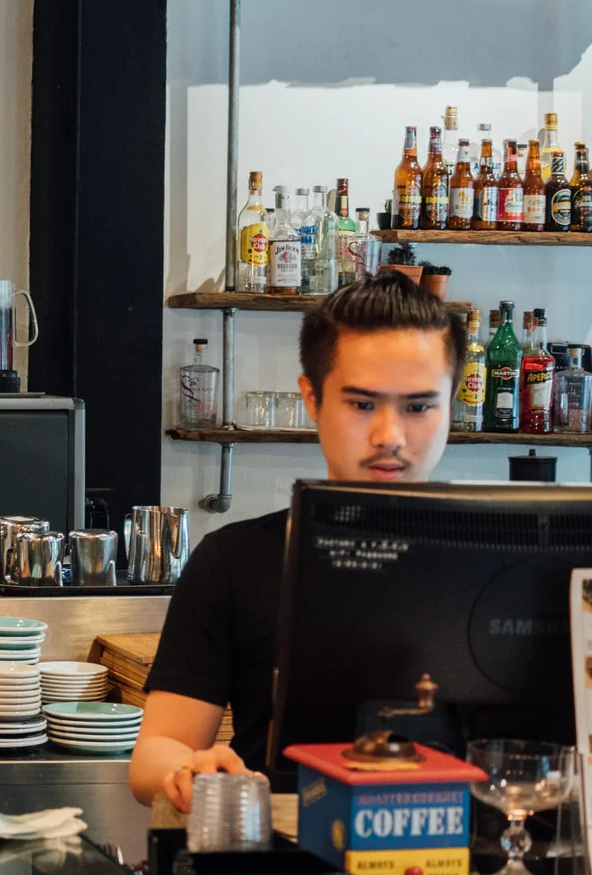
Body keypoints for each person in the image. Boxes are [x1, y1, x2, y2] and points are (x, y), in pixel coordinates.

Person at [129, 273, 463, 812]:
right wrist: (188, 767)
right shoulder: (234, 562)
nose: (390, 436)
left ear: (451, 404)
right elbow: (154, 754)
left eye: (419, 407)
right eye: (361, 405)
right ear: (312, 397)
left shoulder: (512, 562)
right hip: (283, 860)